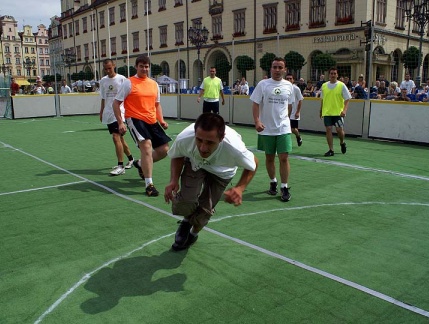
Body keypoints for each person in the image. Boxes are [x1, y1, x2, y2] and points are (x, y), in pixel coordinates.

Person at [164, 113, 258, 251]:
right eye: (199, 140)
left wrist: (239, 188)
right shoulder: (185, 138)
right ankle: (186, 221)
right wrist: (173, 179)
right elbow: (177, 155)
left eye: (209, 142)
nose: (203, 147)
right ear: (195, 133)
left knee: (205, 210)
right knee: (186, 201)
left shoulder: (234, 148)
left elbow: (254, 164)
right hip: (195, 163)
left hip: (223, 172)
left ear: (221, 138)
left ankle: (193, 233)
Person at [113, 55, 171, 197]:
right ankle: (149, 185)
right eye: (141, 66)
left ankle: (140, 164)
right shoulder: (129, 83)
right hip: (135, 119)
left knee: (164, 150)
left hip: (152, 120)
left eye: (146, 66)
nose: (144, 69)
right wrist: (120, 122)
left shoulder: (154, 84)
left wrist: (161, 120)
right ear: (136, 67)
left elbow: (157, 105)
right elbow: (116, 103)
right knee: (146, 146)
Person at [251, 57, 294, 202]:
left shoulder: (289, 86)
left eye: (280, 67)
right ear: (270, 69)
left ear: (285, 69)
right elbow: (256, 103)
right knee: (269, 158)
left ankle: (284, 187)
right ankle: (273, 182)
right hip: (266, 128)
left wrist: (285, 118)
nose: (277, 70)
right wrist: (257, 121)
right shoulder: (263, 85)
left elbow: (290, 104)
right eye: (274, 67)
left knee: (283, 157)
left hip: (283, 128)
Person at [99, 58, 136, 176]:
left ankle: (120, 166)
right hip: (109, 113)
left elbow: (128, 96)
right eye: (105, 69)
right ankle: (131, 159)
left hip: (120, 112)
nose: (108, 71)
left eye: (109, 68)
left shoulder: (122, 79)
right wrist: (101, 111)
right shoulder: (103, 81)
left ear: (114, 66)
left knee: (116, 137)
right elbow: (103, 98)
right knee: (120, 139)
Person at [319, 67, 351, 157]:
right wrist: (321, 110)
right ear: (329, 75)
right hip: (327, 112)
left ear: (337, 75)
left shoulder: (341, 85)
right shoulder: (324, 86)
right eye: (331, 73)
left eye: (334, 73)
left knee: (339, 130)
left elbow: (347, 99)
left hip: (338, 113)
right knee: (328, 129)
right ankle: (331, 149)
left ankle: (342, 142)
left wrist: (344, 110)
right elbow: (322, 99)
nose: (333, 75)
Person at [285, 73, 304, 146]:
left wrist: (298, 112)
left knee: (293, 129)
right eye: (287, 78)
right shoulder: (283, 87)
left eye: (290, 78)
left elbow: (300, 100)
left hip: (294, 112)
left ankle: (298, 136)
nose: (289, 80)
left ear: (293, 80)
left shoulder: (296, 88)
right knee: (285, 128)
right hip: (285, 112)